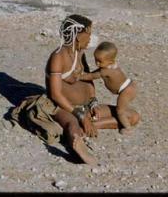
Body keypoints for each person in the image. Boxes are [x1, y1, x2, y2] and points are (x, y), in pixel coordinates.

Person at [11, 14, 140, 165]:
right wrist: (79, 115)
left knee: (132, 116)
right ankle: (78, 147)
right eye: (88, 35)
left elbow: (89, 80)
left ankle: (87, 128)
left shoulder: (80, 53)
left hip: (84, 107)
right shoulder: (58, 57)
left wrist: (92, 102)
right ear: (78, 36)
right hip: (63, 107)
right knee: (71, 124)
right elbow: (55, 94)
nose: (90, 39)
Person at [78, 41, 138, 135]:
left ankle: (128, 128)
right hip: (129, 86)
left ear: (110, 61)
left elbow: (92, 76)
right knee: (122, 109)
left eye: (100, 61)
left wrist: (79, 77)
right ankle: (125, 119)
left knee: (120, 111)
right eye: (95, 60)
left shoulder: (106, 70)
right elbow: (95, 72)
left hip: (126, 90)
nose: (97, 63)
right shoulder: (108, 66)